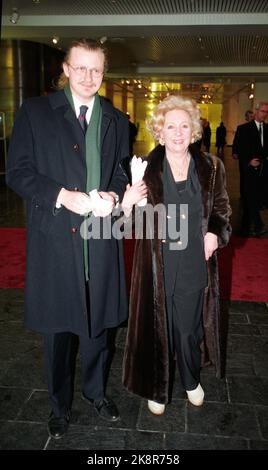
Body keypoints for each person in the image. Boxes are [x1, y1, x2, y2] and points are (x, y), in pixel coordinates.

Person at [6, 38, 130, 439]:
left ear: (104, 72)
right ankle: (59, 405)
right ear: (65, 68)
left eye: (96, 69)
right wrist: (62, 195)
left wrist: (113, 191)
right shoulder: (36, 112)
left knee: (98, 330)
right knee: (58, 332)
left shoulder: (114, 117)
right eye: (81, 68)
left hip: (100, 237)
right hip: (56, 240)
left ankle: (95, 391)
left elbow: (121, 171)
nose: (89, 77)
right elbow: (18, 173)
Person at [121, 95, 231, 415]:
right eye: (171, 126)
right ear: (160, 131)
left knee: (188, 328)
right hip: (158, 263)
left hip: (194, 262)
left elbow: (222, 209)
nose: (178, 132)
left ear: (194, 130)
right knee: (159, 327)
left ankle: (190, 379)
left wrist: (214, 232)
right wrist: (133, 199)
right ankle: (157, 385)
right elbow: (128, 224)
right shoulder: (144, 167)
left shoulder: (211, 166)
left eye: (185, 125)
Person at [232, 101, 268, 236]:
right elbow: (240, 148)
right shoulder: (244, 128)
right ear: (256, 111)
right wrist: (248, 161)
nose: (264, 114)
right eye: (262, 111)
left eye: (266, 112)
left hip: (264, 169)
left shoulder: (267, 129)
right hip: (249, 169)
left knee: (256, 197)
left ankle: (248, 225)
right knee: (250, 196)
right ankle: (256, 225)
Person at [232, 109, 254, 199]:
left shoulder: (258, 128)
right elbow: (236, 141)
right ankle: (243, 194)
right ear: (246, 117)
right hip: (244, 156)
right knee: (244, 175)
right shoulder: (241, 128)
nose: (251, 118)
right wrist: (234, 152)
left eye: (252, 116)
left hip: (254, 156)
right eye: (249, 116)